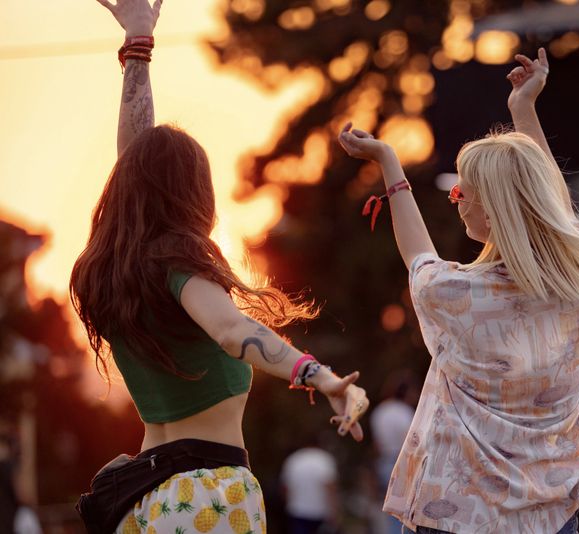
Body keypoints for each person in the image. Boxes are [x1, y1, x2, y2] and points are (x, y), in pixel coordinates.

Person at [71, 1, 368, 532]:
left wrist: (138, 48)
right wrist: (323, 378)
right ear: (196, 192)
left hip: (143, 500)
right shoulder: (180, 258)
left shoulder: (117, 270)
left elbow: (135, 163)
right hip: (208, 495)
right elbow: (231, 330)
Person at [338, 48, 579, 534]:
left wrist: (388, 162)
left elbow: (418, 254)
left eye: (461, 193)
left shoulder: (459, 294)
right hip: (552, 514)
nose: (456, 202)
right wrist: (524, 111)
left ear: (493, 207)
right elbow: (556, 213)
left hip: (460, 513)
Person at [370, 371, 419, 534]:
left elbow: (377, 444)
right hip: (403, 462)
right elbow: (411, 442)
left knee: (391, 510)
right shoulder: (405, 412)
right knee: (405, 511)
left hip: (384, 462)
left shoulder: (380, 411)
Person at [281, 439, 339, 534]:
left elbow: (285, 488)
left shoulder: (293, 459)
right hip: (320, 512)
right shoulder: (324, 459)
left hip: (298, 511)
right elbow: (330, 488)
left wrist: (289, 504)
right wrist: (334, 512)